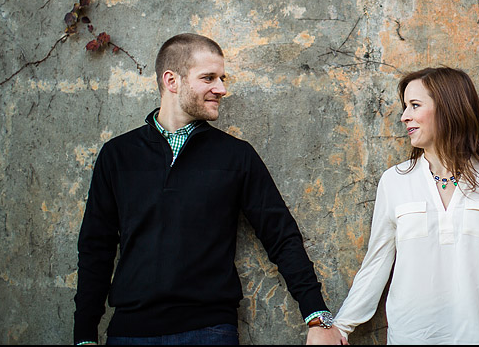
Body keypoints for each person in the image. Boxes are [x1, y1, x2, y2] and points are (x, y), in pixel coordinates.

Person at [73, 33, 343, 345]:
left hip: (209, 331)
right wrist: (84, 336)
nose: (222, 89)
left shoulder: (236, 156)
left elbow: (281, 236)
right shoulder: (118, 155)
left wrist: (317, 317)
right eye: (209, 78)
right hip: (130, 332)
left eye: (222, 78)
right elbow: (96, 248)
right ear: (172, 81)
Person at [333, 67, 479, 345]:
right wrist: (340, 327)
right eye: (405, 107)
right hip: (411, 338)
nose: (404, 117)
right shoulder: (395, 182)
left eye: (415, 105)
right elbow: (376, 263)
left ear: (449, 108)